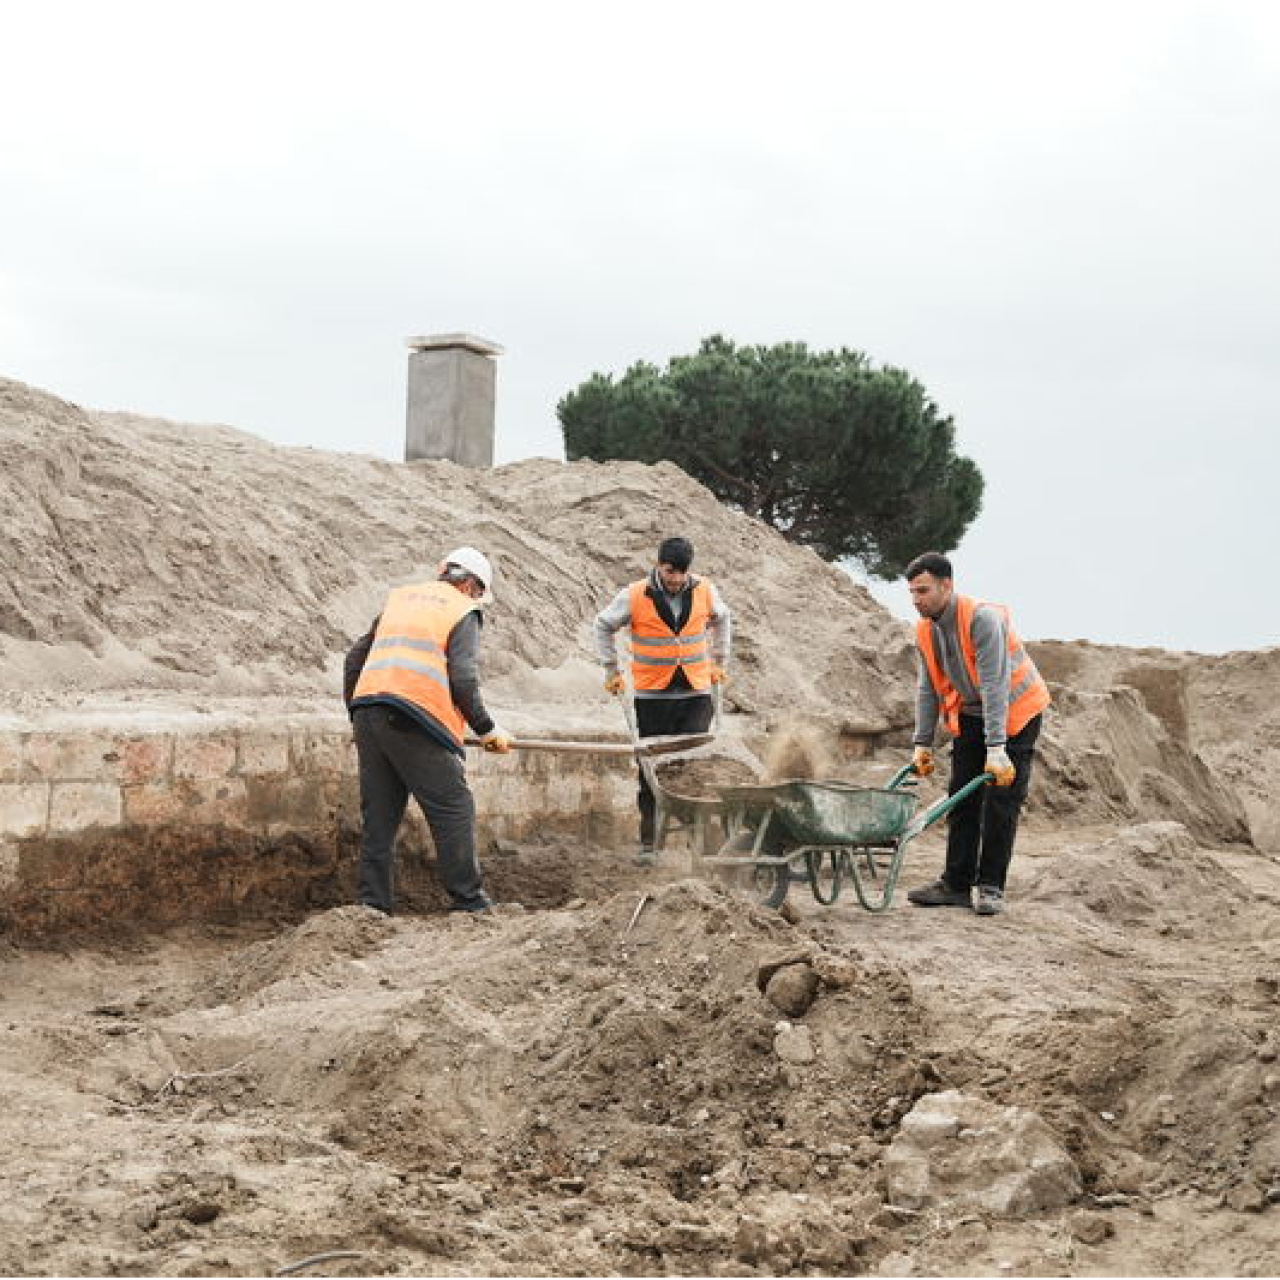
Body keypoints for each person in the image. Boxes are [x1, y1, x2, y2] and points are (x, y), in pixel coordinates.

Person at [343, 547, 511, 915]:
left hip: (368, 709)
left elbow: (355, 657)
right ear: (470, 585)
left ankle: (372, 906)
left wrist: (357, 713)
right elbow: (463, 678)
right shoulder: (462, 610)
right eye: (479, 593)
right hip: (412, 717)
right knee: (454, 807)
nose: (477, 599)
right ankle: (469, 902)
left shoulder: (400, 600)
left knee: (380, 817)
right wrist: (486, 728)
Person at [903, 551, 1050, 916]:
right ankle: (955, 884)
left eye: (923, 591)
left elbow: (996, 685)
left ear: (946, 585)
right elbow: (928, 689)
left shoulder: (981, 619)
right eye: (912, 593)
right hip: (970, 713)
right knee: (961, 796)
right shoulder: (925, 629)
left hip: (1015, 713)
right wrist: (921, 743)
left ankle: (990, 887)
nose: (916, 600)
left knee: (1001, 799)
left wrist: (997, 747)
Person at [595, 536, 731, 865]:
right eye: (670, 572)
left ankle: (704, 844)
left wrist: (719, 662)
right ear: (659, 565)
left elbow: (724, 618)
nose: (676, 579)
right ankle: (649, 843)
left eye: (682, 573)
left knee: (697, 768)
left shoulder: (705, 590)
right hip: (652, 694)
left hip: (696, 693)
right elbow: (602, 625)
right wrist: (611, 669)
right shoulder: (634, 595)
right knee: (651, 769)